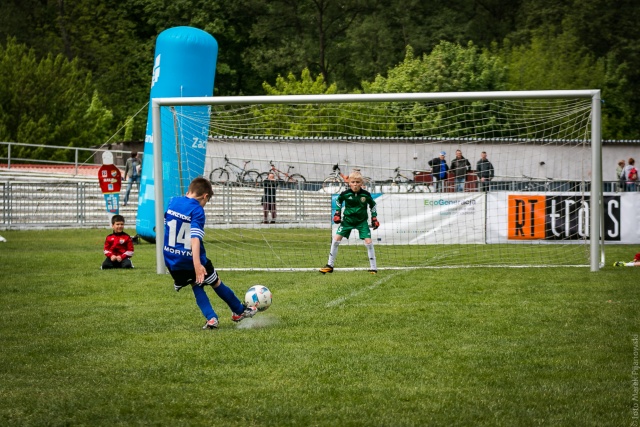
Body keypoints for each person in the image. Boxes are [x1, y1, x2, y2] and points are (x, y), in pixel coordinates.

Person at [163, 177, 257, 329]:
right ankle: (239, 311)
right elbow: (195, 238)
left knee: (196, 284)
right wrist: (197, 265)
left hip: (171, 259)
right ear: (205, 196)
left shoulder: (173, 201)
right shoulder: (197, 210)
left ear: (189, 191)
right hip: (190, 259)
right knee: (215, 281)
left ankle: (211, 318)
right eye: (207, 201)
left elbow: (166, 219)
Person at [319, 171, 379, 275]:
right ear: (349, 183)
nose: (355, 184)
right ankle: (330, 266)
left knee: (368, 242)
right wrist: (337, 213)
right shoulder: (345, 194)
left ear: (361, 183)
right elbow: (338, 201)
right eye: (353, 182)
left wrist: (374, 218)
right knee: (336, 239)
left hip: (361, 222)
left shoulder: (366, 195)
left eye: (357, 182)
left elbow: (373, 205)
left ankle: (373, 268)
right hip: (347, 221)